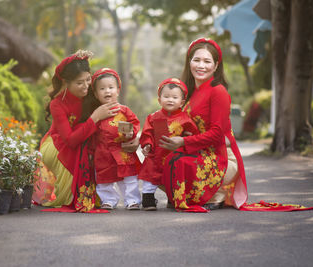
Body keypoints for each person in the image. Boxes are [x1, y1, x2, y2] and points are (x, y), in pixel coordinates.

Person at [160, 38, 248, 212]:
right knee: (155, 159)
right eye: (196, 60)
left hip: (221, 156)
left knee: (176, 161)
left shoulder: (218, 91)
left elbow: (217, 134)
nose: (201, 66)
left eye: (207, 61)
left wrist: (183, 142)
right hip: (198, 150)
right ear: (189, 62)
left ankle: (216, 194)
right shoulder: (189, 92)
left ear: (216, 66)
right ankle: (188, 195)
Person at [32, 50, 119, 212]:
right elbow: (70, 140)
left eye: (88, 79)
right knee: (80, 148)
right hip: (57, 144)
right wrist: (94, 118)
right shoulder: (57, 104)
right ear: (66, 83)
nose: (86, 86)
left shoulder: (90, 93)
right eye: (80, 83)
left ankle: (101, 191)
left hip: (81, 140)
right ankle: (74, 194)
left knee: (96, 147)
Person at [139, 78, 198, 211]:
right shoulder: (153, 117)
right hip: (156, 154)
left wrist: (187, 139)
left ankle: (173, 198)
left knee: (174, 176)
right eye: (166, 96)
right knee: (150, 174)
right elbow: (147, 133)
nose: (170, 100)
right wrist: (147, 145)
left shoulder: (185, 119)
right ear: (159, 100)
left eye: (174, 97)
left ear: (182, 102)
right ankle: (148, 198)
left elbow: (193, 135)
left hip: (174, 156)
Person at [89, 68, 141, 210]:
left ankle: (132, 200)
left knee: (129, 178)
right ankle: (108, 199)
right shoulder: (97, 114)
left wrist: (131, 133)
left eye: (111, 87)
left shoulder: (124, 111)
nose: (107, 91)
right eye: (102, 88)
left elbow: (135, 123)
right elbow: (90, 131)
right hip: (103, 152)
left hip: (122, 150)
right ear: (95, 93)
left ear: (118, 90)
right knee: (104, 178)